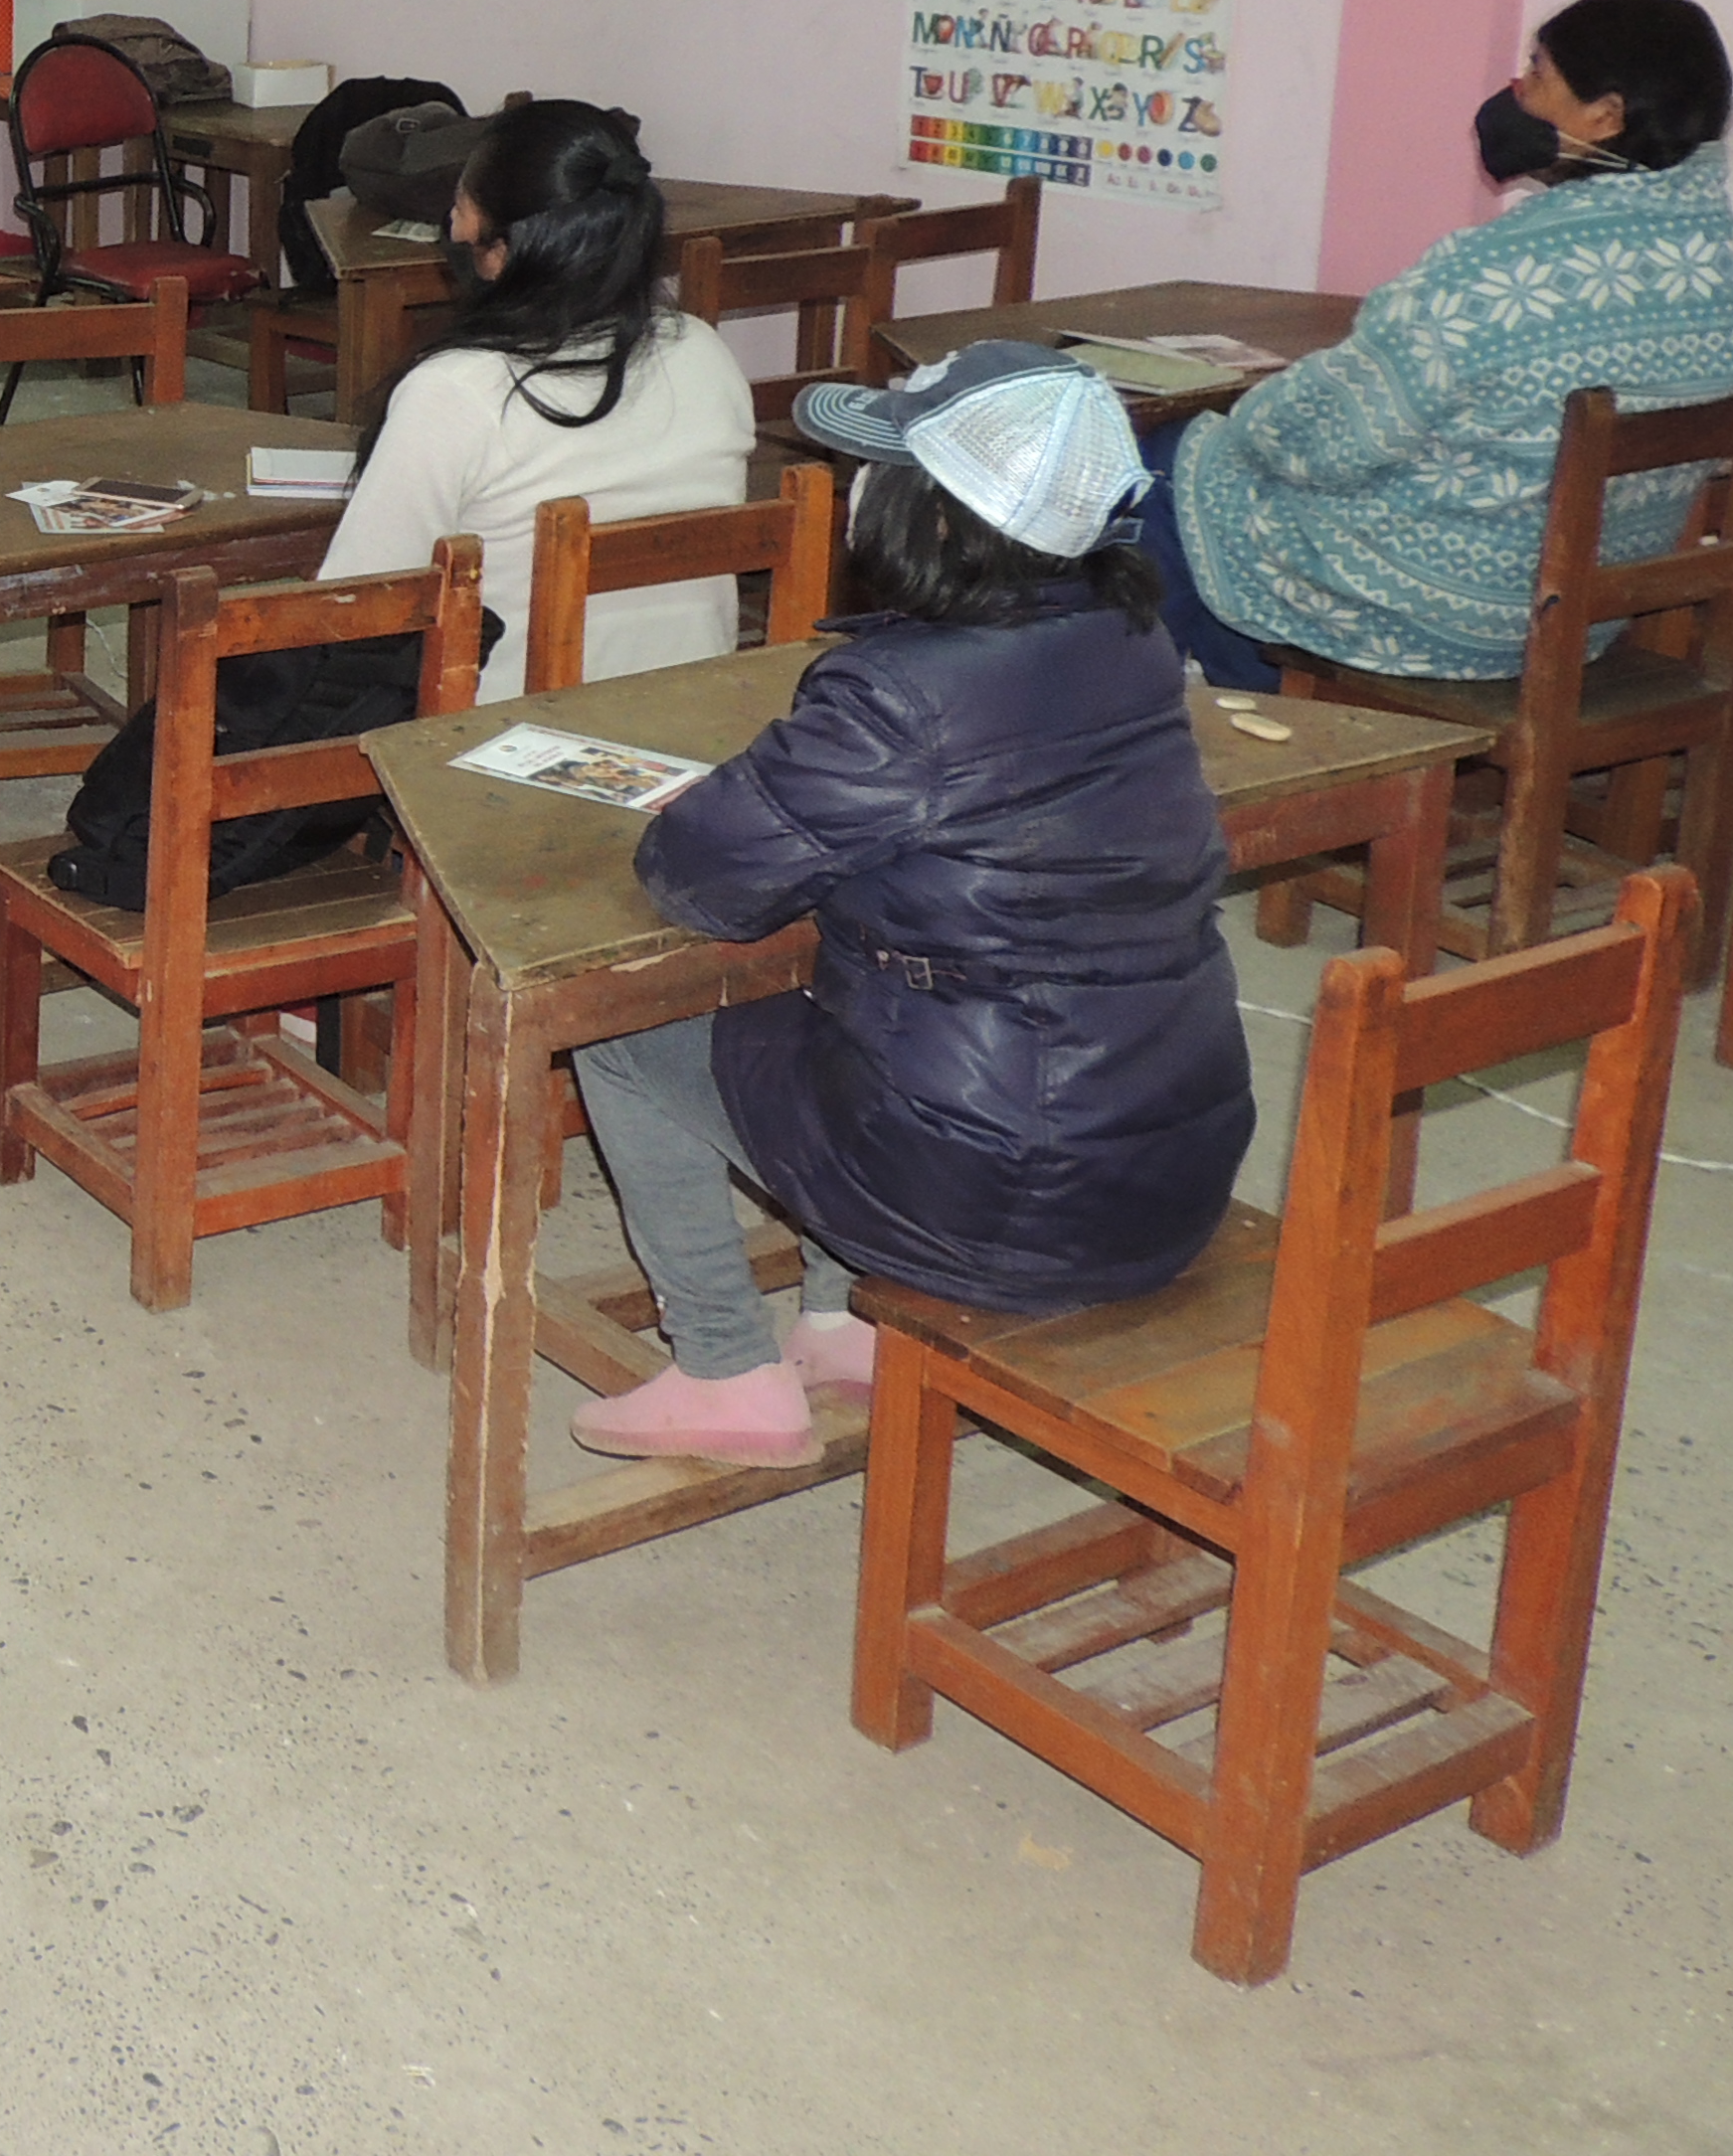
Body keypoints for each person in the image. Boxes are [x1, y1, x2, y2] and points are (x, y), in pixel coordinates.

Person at [567, 344, 1243, 1468]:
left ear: (933, 519)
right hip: (1164, 1177)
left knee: (624, 1028)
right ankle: (842, 1327)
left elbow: (698, 882)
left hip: (995, 1196)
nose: (860, 491)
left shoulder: (899, 697)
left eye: (883, 469)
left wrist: (736, 797)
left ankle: (726, 1368)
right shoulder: (1134, 642)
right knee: (869, 1009)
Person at [1147, 0, 1733, 690]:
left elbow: (1312, 443)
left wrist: (1239, 417)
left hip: (1437, 616)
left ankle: (1241, 731)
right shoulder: (1728, 265)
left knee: (1167, 465)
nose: (1517, 91)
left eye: (1540, 74)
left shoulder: (1495, 274)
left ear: (1605, 115)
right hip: (1571, 621)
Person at [312, 98, 757, 702]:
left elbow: (360, 598)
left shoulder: (459, 388)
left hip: (513, 736)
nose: (452, 227)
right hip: (689, 718)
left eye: (460, 207)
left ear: (496, 242)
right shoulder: (704, 351)